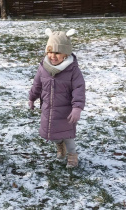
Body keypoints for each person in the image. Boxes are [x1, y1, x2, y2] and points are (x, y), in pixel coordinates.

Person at [28, 28, 85, 168]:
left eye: (57, 52)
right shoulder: (43, 68)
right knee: (53, 133)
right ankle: (60, 146)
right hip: (48, 108)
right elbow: (37, 84)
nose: (53, 56)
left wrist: (77, 108)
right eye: (50, 51)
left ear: (66, 54)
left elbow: (79, 88)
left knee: (68, 135)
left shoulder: (72, 70)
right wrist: (32, 98)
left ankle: (72, 155)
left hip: (66, 111)